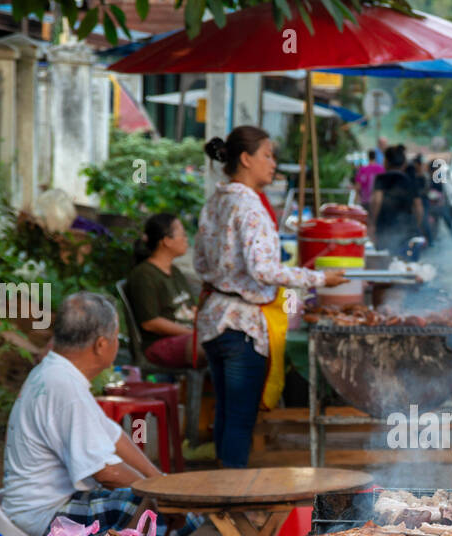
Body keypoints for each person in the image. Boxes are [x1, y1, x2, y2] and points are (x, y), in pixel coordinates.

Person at [1, 292, 201, 536]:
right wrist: (158, 494)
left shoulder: (58, 372)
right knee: (150, 507)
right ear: (101, 344)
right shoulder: (63, 386)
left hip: (43, 504)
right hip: (44, 514)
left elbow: (113, 436)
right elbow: (106, 472)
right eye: (116, 337)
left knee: (164, 501)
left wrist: (159, 479)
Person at [196, 126, 345, 468]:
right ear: (246, 159)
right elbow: (263, 270)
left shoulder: (217, 199)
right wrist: (319, 278)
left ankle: (220, 494)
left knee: (226, 413)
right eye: (268, 155)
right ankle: (231, 499)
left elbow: (200, 262)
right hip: (242, 325)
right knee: (240, 419)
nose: (273, 163)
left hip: (214, 319)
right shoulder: (249, 206)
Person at [126, 213, 199, 367]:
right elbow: (150, 323)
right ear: (166, 241)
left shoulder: (175, 272)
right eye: (183, 235)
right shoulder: (144, 274)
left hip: (188, 338)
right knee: (216, 347)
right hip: (158, 344)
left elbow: (192, 309)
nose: (186, 239)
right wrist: (192, 334)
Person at [367, 145, 424, 255]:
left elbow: (377, 201)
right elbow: (418, 205)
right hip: (406, 228)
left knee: (386, 260)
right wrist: (417, 224)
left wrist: (372, 223)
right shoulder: (409, 180)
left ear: (386, 162)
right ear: (403, 164)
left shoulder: (382, 178)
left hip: (384, 227)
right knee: (406, 262)